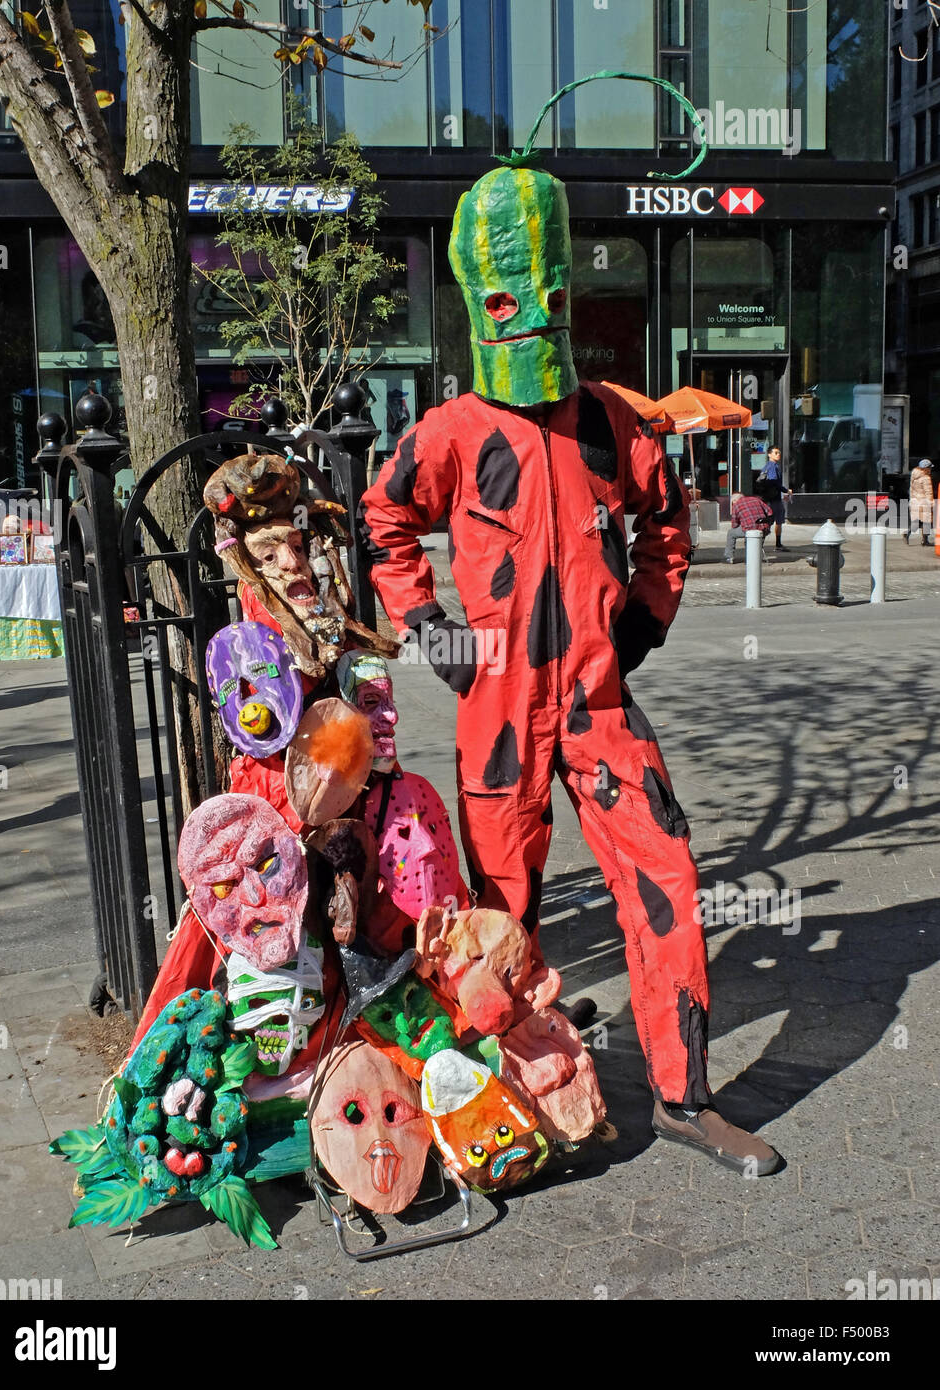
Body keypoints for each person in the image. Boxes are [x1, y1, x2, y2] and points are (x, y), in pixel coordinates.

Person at [359, 159, 779, 1175]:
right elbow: (386, 521)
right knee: (500, 917)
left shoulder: (608, 422)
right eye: (511, 301)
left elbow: (667, 518)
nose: (534, 320)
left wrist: (642, 623)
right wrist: (440, 639)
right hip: (498, 709)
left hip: (598, 703)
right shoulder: (451, 432)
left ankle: (682, 1095)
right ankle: (513, 1094)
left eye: (548, 300)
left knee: (666, 879)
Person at [755, 445, 792, 550]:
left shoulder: (767, 466)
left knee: (770, 521)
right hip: (774, 499)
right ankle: (776, 544)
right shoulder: (772, 466)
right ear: (769, 454)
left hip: (768, 498)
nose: (778, 454)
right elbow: (774, 482)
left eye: (779, 452)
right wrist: (786, 491)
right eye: (776, 453)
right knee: (774, 521)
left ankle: (763, 544)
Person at [723, 492, 774, 563]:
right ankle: (757, 556)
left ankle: (729, 557)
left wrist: (740, 523)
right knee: (759, 531)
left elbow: (734, 524)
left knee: (731, 533)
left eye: (732, 502)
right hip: (764, 528)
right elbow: (769, 511)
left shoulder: (736, 505)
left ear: (734, 500)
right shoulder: (756, 499)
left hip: (749, 529)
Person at [905, 459, 936, 545]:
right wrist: (931, 503)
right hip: (924, 502)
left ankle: (907, 534)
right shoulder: (926, 478)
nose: (930, 469)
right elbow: (928, 492)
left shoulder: (914, 476)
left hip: (915, 501)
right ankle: (925, 540)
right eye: (930, 468)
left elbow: (911, 490)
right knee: (927, 521)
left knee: (917, 521)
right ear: (926, 468)